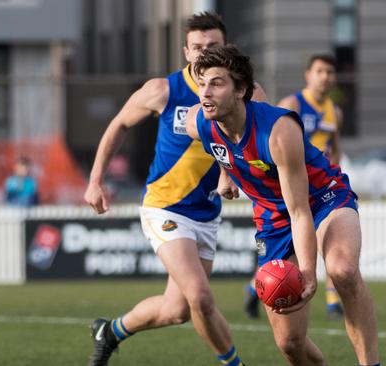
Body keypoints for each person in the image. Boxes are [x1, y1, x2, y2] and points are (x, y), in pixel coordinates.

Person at [83, 12, 264, 366]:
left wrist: (234, 174)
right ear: (185, 51)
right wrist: (95, 180)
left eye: (212, 46)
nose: (202, 54)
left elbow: (258, 139)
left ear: (226, 48)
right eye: (196, 48)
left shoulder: (246, 93)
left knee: (176, 309)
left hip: (207, 214)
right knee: (200, 295)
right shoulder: (163, 90)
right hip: (164, 207)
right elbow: (119, 123)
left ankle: (111, 331)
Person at [184, 45, 380, 366]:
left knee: (342, 270)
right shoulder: (199, 121)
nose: (205, 92)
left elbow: (300, 210)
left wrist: (306, 271)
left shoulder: (278, 131)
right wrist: (225, 173)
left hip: (322, 197)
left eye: (216, 83)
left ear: (240, 91)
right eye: (202, 83)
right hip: (272, 217)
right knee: (289, 343)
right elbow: (215, 143)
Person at [243, 54, 344, 320]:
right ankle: (256, 288)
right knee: (281, 255)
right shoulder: (292, 104)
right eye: (320, 71)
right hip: (287, 187)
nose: (325, 77)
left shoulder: (335, 111)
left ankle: (333, 301)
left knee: (329, 245)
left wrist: (335, 172)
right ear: (307, 75)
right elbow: (270, 136)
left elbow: (335, 148)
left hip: (319, 189)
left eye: (330, 72)